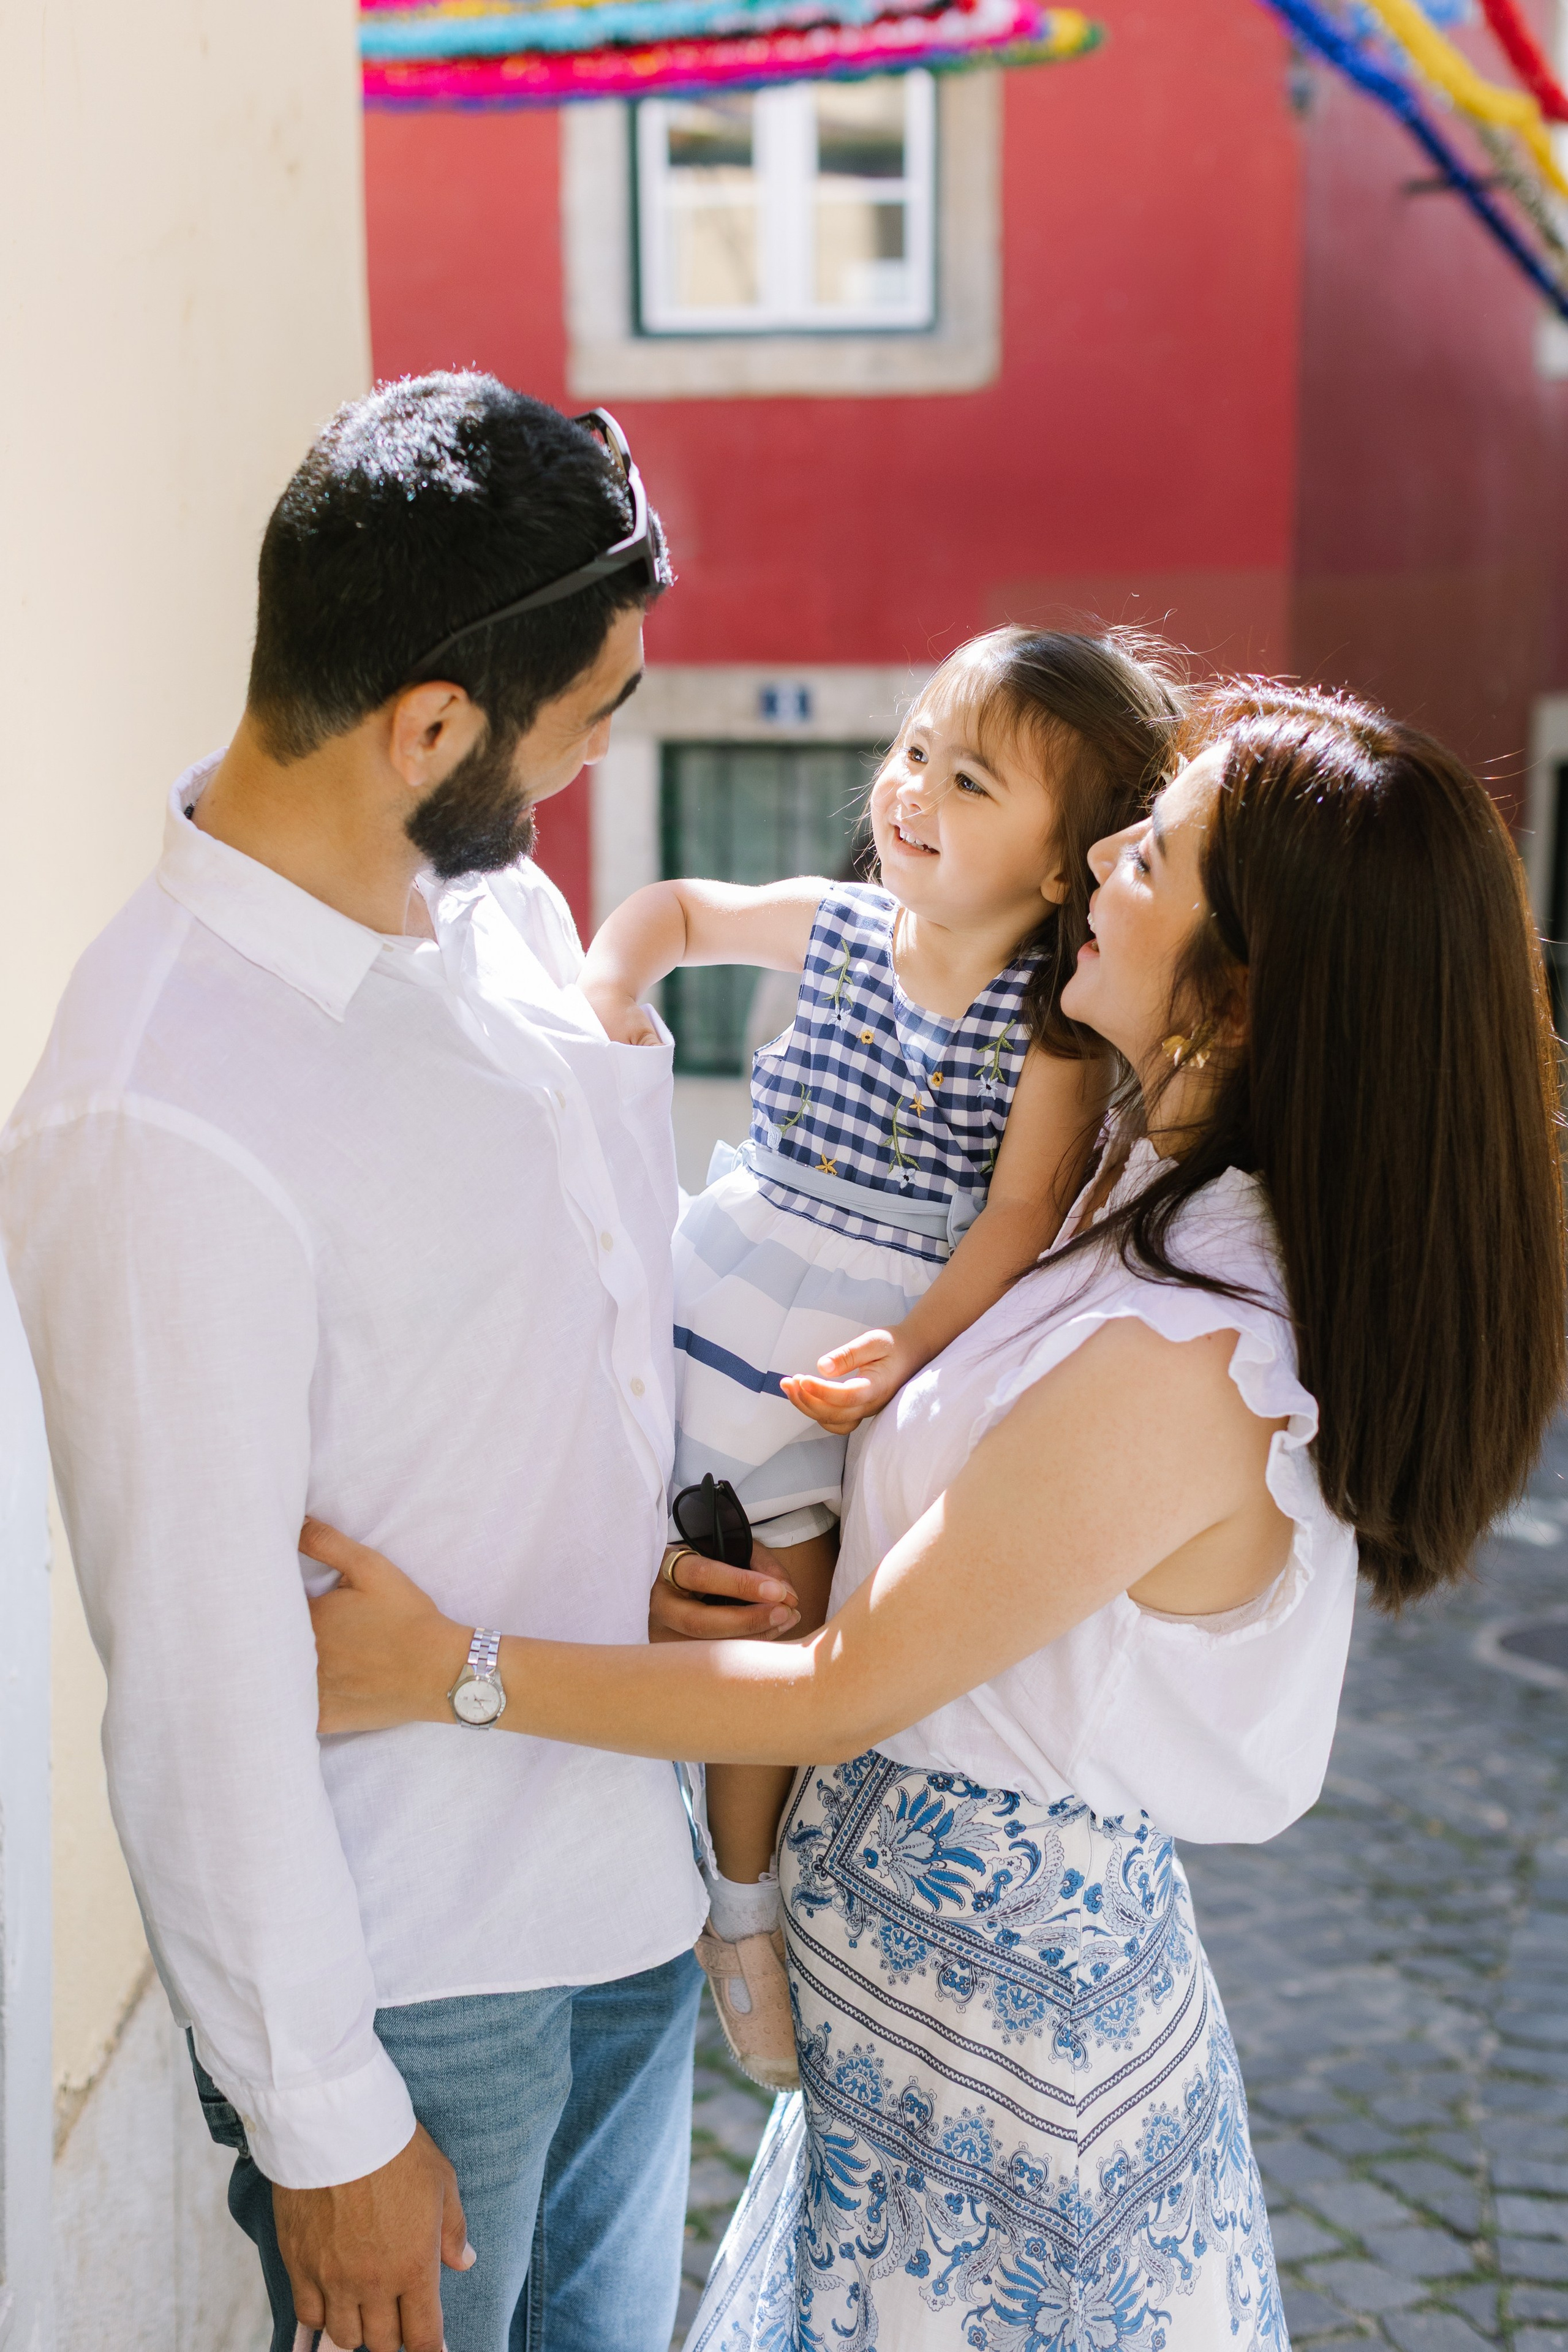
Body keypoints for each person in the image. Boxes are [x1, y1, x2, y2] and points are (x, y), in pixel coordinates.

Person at [302, 683, 1565, 2349]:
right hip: (906, 2086)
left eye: (1155, 850)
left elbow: (851, 1689)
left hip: (1012, 2135)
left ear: (1239, 1003)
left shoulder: (1190, 1358)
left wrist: (438, 1669)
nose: (1105, 851)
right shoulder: (1124, 1188)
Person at [0, 375, 797, 2352]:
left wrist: (675, 1543)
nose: (599, 759)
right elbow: (194, 1679)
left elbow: (571, 1315)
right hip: (428, 1994)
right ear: (432, 725)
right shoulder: (155, 1111)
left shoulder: (498, 913)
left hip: (628, 1880)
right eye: (590, 715)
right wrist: (325, 2126)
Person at [581, 627, 1185, 2087]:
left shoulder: (1047, 1024)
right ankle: (667, 1871)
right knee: (639, 1523)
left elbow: (1018, 1211)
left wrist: (907, 1350)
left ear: (1061, 871)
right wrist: (609, 991)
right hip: (735, 1271)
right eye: (914, 748)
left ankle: (741, 1901)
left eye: (968, 780)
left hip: (879, 1318)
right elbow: (669, 908)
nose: (912, 788)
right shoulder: (841, 922)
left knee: (780, 1611)